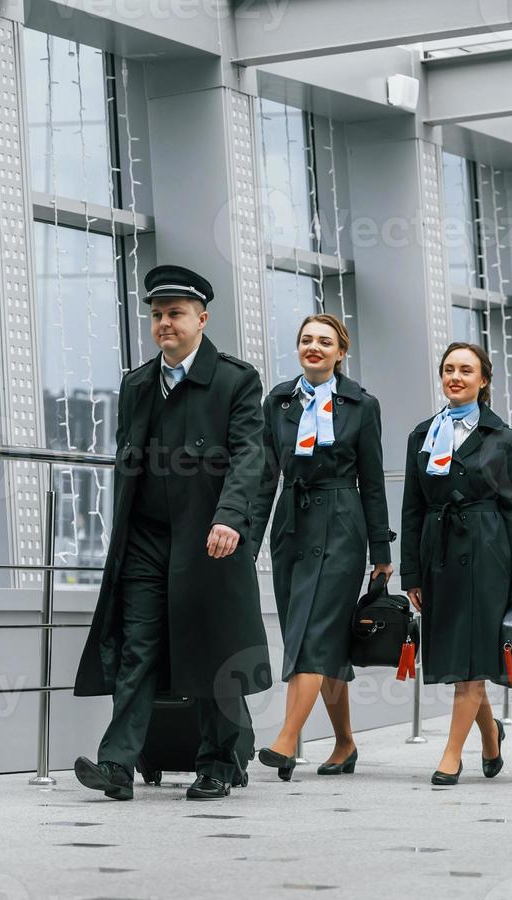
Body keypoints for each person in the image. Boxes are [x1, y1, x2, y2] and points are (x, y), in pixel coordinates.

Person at [72, 265, 271, 801]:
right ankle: (118, 762)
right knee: (139, 646)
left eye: (176, 314)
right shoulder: (137, 384)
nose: (165, 323)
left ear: (201, 319)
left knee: (208, 648)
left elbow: (250, 454)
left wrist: (229, 516)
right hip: (144, 539)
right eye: (157, 315)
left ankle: (218, 762)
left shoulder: (236, 380)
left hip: (208, 538)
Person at [252, 314, 394, 780]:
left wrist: (382, 552)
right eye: (306, 340)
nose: (314, 347)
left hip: (341, 522)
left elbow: (372, 481)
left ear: (340, 351)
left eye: (325, 342)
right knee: (317, 636)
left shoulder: (360, 404)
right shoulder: (277, 400)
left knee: (313, 631)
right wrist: (249, 538)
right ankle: (345, 743)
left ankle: (287, 740)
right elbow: (263, 474)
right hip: (291, 523)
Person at [401, 342, 512, 786]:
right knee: (462, 657)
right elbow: (411, 507)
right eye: (449, 369)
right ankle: (491, 737)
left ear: (483, 380)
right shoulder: (422, 434)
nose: (456, 377)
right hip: (437, 552)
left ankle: (450, 755)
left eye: (466, 370)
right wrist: (411, 573)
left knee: (472, 662)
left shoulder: (502, 436)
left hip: (486, 553)